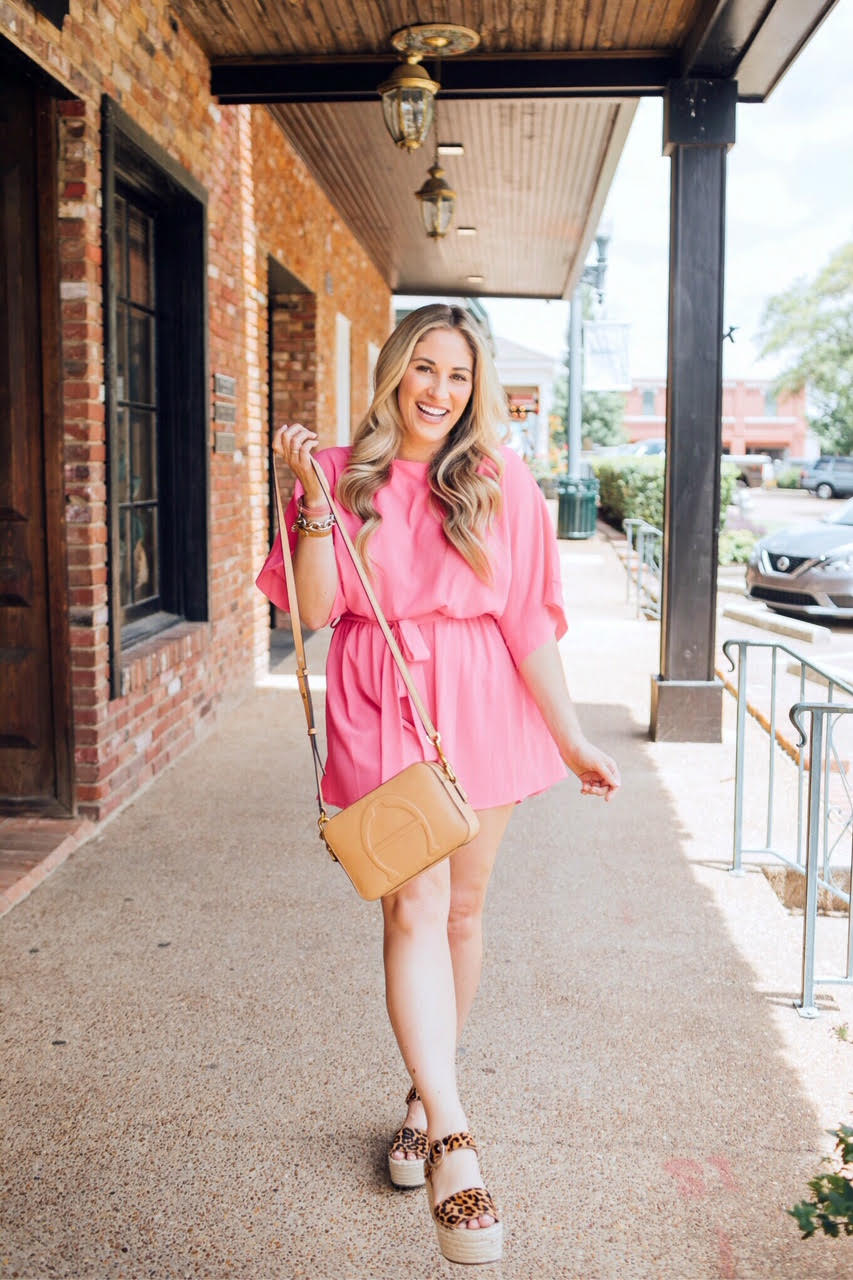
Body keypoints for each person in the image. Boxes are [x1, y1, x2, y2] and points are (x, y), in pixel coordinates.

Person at [257, 303, 620, 1265]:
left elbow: (529, 626)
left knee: (463, 912)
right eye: (425, 367)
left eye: (458, 376)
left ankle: (424, 1095)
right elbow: (317, 608)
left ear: (477, 389)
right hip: (381, 694)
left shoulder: (502, 482)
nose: (439, 391)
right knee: (411, 908)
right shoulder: (339, 472)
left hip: (483, 701)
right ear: (395, 371)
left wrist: (574, 739)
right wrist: (307, 499)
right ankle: (457, 1144)